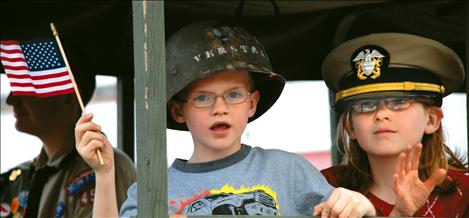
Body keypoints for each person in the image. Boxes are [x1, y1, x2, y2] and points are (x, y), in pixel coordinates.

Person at [76, 21, 378, 217]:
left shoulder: (289, 171)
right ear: (178, 110)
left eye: (233, 95)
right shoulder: (154, 188)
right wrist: (104, 176)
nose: (219, 108)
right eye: (203, 98)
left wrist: (363, 209)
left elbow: (343, 212)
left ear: (252, 103)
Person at [320, 32, 469, 217]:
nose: (381, 114)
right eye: (366, 105)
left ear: (432, 120)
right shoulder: (324, 187)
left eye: (399, 102)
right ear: (350, 127)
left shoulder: (464, 194)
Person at [0, 70, 137, 218]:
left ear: (67, 98)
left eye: (27, 85)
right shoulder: (17, 179)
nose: (10, 100)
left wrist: (104, 174)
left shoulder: (108, 166)